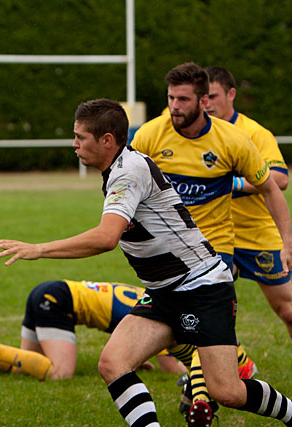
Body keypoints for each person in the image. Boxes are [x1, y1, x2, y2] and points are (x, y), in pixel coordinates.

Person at [0, 99, 292, 426]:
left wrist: (39, 249)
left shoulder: (127, 172)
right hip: (164, 294)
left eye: (81, 137)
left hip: (202, 288)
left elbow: (107, 238)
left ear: (107, 140)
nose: (74, 144)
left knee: (227, 391)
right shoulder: (121, 167)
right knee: (113, 362)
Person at [130, 62, 292, 423]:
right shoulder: (151, 135)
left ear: (206, 101)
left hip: (222, 247)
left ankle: (203, 396)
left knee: (272, 312)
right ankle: (215, 380)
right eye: (171, 98)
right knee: (182, 329)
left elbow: (273, 185)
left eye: (183, 99)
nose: (174, 106)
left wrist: (287, 241)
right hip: (170, 253)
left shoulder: (238, 138)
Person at [0, 279, 188, 380]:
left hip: (49, 290)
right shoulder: (161, 316)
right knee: (59, 373)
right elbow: (172, 366)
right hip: (58, 302)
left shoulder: (146, 297)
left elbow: (125, 331)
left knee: (28, 365)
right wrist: (194, 365)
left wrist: (136, 358)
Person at [205, 66, 292, 338]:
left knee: (287, 309)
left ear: (231, 94)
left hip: (257, 233)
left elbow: (280, 179)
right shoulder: (192, 131)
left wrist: (234, 183)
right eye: (202, 97)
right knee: (203, 309)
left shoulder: (254, 132)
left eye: (213, 96)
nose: (206, 103)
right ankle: (205, 371)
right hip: (214, 234)